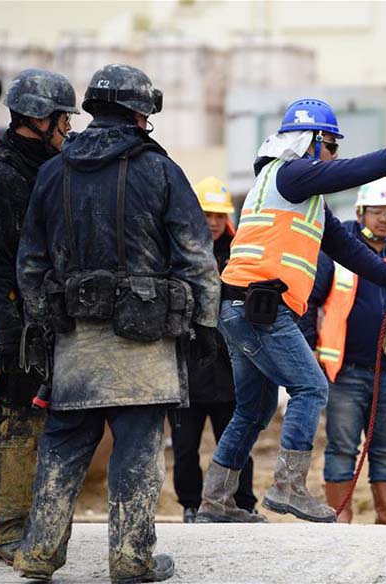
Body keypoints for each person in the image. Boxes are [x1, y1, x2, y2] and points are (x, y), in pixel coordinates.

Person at [196, 98, 386, 524]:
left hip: (241, 307)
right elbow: (350, 172)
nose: (334, 155)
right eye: (331, 145)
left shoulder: (300, 197)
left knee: (252, 411)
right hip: (260, 307)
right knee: (311, 388)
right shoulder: (290, 172)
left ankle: (216, 502)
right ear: (312, 140)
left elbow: (350, 251)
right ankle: (288, 486)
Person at [13, 64, 220, 582]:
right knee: (136, 448)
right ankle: (132, 559)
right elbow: (196, 255)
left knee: (63, 441)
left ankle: (38, 553)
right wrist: (207, 324)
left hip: (75, 341)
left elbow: (31, 263)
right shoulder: (161, 170)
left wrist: (44, 322)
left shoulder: (53, 171)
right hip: (143, 343)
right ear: (140, 113)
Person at [299, 177, 386, 524]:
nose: (384, 219)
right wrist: (309, 345)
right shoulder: (340, 249)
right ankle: (340, 514)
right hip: (346, 371)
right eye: (376, 212)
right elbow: (310, 299)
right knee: (342, 447)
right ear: (360, 213)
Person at [0, 69, 77, 565]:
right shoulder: (2, 178)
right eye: (63, 118)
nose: (68, 127)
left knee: (16, 418)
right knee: (17, 419)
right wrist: (6, 328)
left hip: (29, 316)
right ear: (40, 119)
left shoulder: (41, 171)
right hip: (7, 317)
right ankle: (6, 531)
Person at [167, 176, 258, 524]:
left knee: (237, 442)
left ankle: (243, 502)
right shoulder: (179, 255)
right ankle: (191, 504)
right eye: (207, 214)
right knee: (186, 448)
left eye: (219, 216)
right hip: (187, 374)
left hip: (231, 372)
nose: (214, 222)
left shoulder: (240, 255)